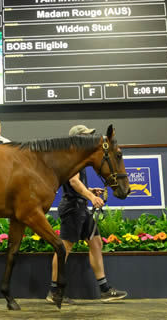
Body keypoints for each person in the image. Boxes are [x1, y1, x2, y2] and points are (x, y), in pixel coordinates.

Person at [47, 124, 128, 304]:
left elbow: (74, 184)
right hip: (72, 208)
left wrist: (90, 190)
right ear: (77, 139)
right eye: (86, 136)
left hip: (79, 206)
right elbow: (74, 182)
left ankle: (105, 289)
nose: (90, 139)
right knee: (64, 249)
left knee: (96, 242)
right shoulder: (71, 157)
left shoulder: (80, 159)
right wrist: (91, 196)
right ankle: (54, 291)